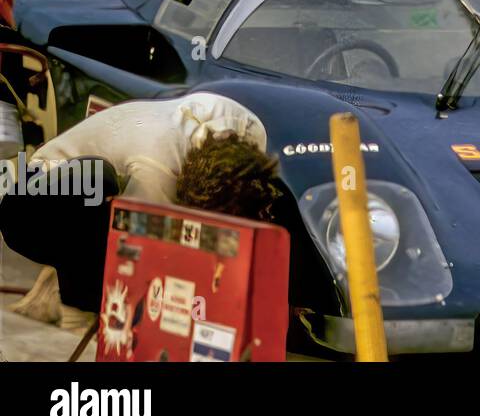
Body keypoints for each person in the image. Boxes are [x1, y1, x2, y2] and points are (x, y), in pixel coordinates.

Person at [0, 92, 275, 315]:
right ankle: (82, 287)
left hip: (98, 195)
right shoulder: (156, 170)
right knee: (101, 182)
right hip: (31, 204)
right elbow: (138, 245)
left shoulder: (249, 133)